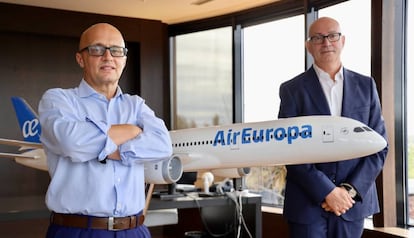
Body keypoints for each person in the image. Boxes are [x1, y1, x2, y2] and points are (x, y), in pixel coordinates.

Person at [38, 23, 173, 238]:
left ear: (124, 60)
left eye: (116, 50)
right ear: (81, 59)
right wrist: (132, 130)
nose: (108, 57)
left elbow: (163, 145)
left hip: (135, 230)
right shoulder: (58, 100)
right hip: (78, 231)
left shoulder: (136, 105)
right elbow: (72, 143)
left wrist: (105, 149)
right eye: (97, 49)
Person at [278, 17, 388, 238]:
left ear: (342, 41)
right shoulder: (292, 90)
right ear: (308, 46)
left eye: (332, 36)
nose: (326, 42)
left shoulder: (366, 86)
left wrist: (348, 192)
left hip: (351, 205)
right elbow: (288, 147)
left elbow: (379, 147)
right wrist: (326, 191)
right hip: (306, 203)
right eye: (317, 38)